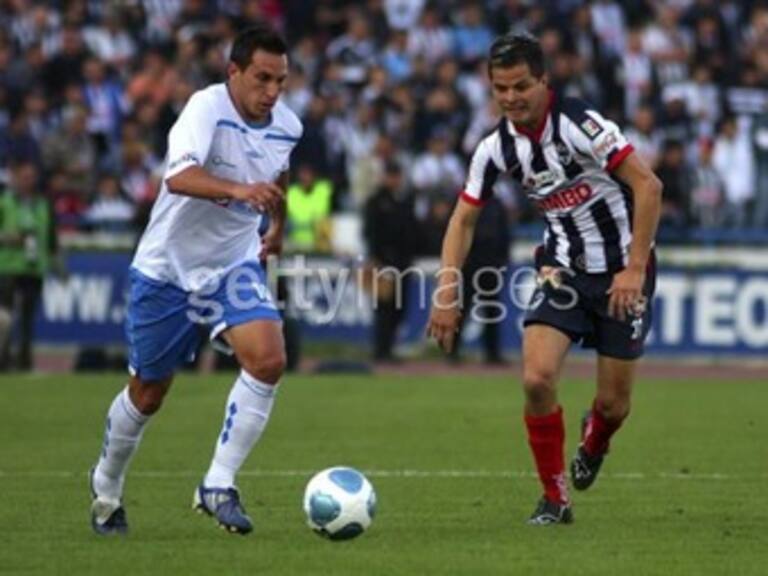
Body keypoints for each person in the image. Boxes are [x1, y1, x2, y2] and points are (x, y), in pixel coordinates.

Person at [427, 34, 662, 525]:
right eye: (500, 88)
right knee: (536, 379)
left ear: (544, 81)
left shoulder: (580, 124)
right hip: (562, 270)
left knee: (614, 407)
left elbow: (648, 186)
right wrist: (447, 292)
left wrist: (634, 269)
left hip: (623, 272)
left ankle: (595, 439)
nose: (510, 98)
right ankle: (555, 498)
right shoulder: (494, 148)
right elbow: (462, 220)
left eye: (521, 86)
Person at [88, 24, 302, 536]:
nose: (272, 91)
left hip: (232, 264)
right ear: (234, 72)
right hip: (168, 269)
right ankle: (107, 486)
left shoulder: (288, 125)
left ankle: (218, 483)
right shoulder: (205, 108)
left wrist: (277, 226)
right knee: (148, 393)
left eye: (280, 80)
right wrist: (239, 190)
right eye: (262, 78)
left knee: (269, 359)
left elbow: (279, 174)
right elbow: (178, 177)